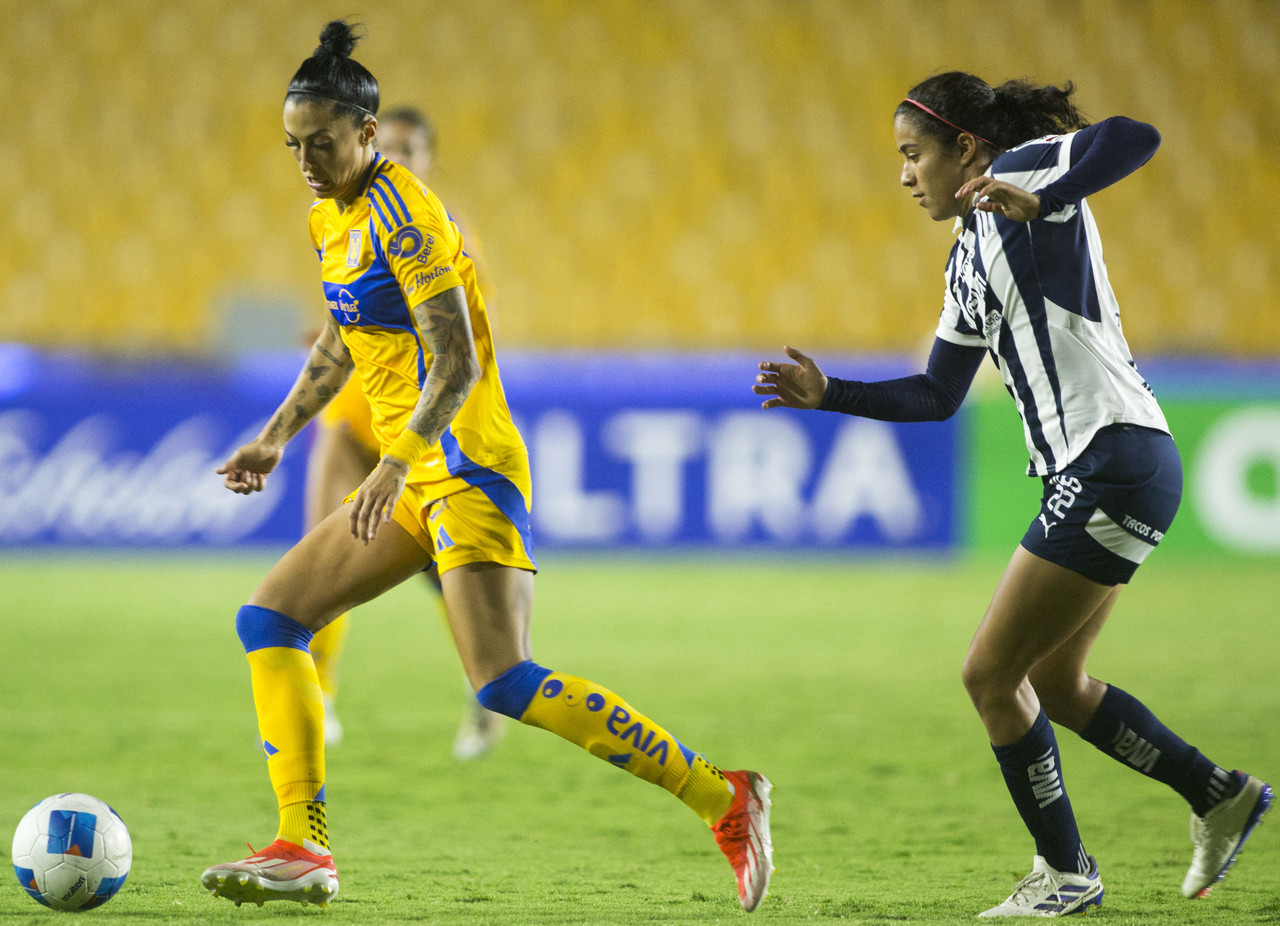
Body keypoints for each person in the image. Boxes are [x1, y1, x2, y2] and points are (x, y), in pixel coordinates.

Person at [200, 20, 772, 911]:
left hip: (463, 468)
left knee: (503, 680)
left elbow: (457, 359)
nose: (306, 160)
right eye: (293, 145)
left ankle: (721, 793)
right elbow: (340, 342)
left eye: (321, 142)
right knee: (270, 620)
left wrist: (394, 463)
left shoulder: (407, 213)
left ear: (365, 130)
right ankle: (302, 844)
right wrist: (276, 435)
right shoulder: (328, 216)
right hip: (412, 473)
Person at [753, 71, 1271, 918]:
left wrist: (1051, 193)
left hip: (1111, 455)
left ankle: (1067, 873)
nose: (904, 175)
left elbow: (1134, 135)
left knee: (991, 676)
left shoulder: (1026, 172)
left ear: (966, 147)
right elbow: (936, 394)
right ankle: (1219, 794)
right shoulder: (966, 257)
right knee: (1056, 682)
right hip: (1107, 464)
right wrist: (831, 392)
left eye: (913, 154)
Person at [305, 103, 505, 761]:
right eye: (384, 145)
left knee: (446, 576)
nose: (394, 157)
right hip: (350, 424)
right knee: (322, 553)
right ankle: (318, 701)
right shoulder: (348, 219)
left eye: (408, 149)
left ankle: (489, 686)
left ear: (430, 160)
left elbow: (455, 345)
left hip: (414, 439)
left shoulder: (443, 234)